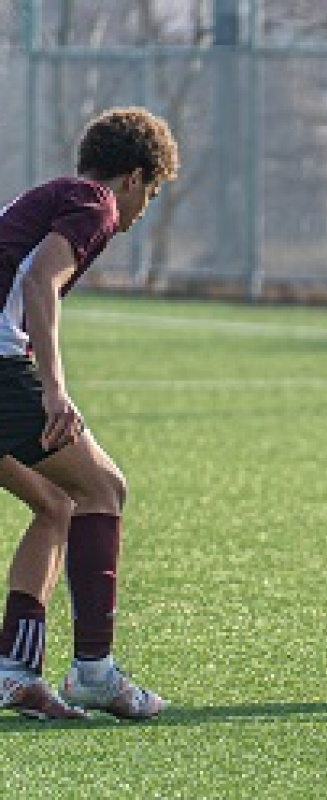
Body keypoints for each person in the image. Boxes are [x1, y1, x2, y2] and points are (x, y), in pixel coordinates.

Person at [0, 107, 179, 718]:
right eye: (150, 192)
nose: (141, 209)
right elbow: (39, 284)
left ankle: (15, 671)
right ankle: (94, 672)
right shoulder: (96, 204)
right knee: (104, 488)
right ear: (133, 178)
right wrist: (53, 389)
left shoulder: (50, 196)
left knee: (55, 503)